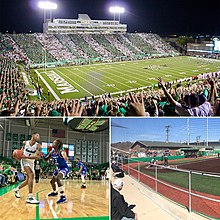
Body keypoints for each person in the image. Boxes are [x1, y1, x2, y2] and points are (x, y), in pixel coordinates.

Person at [13, 132, 42, 204]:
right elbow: (21, 151)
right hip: (24, 161)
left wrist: (26, 156)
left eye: (39, 136)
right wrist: (19, 156)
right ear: (33, 135)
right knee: (31, 175)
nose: (38, 137)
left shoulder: (38, 146)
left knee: (27, 180)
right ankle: (30, 197)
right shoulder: (25, 143)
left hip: (31, 162)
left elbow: (36, 156)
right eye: (37, 135)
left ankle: (17, 189)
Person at [42, 139, 69, 204]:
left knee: (57, 178)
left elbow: (66, 158)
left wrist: (65, 157)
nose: (52, 143)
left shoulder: (61, 152)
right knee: (52, 182)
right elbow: (46, 159)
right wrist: (42, 156)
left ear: (58, 144)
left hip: (64, 168)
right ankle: (55, 192)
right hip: (58, 169)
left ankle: (63, 197)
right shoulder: (52, 152)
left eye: (54, 142)